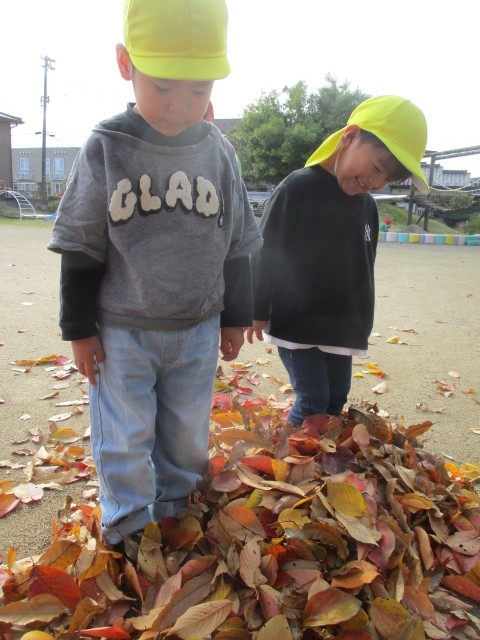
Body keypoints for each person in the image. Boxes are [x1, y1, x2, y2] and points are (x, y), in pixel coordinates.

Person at [48, 0, 262, 546]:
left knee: (187, 435)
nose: (179, 105)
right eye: (163, 86)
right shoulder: (107, 146)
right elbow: (81, 244)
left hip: (197, 328)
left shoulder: (219, 152)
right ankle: (127, 525)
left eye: (198, 90)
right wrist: (79, 329)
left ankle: (175, 513)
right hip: (123, 331)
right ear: (126, 64)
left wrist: (234, 317)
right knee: (126, 435)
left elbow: (237, 243)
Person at [247, 95, 428, 425]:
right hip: (298, 320)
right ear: (350, 137)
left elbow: (364, 267)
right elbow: (266, 248)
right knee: (313, 400)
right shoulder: (298, 187)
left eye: (387, 180)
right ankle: (288, 455)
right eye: (377, 168)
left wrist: (360, 323)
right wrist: (258, 309)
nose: (376, 182)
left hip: (341, 327)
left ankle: (319, 454)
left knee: (335, 399)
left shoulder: (367, 206)